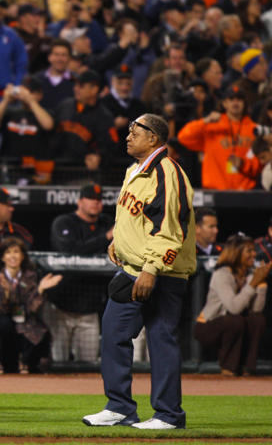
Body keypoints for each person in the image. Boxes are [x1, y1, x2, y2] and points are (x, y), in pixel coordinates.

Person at [84, 113, 196, 430]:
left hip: (160, 273)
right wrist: (119, 242)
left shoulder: (167, 173)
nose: (129, 134)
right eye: (130, 129)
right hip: (132, 269)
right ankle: (119, 407)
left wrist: (151, 269)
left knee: (161, 340)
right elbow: (138, 218)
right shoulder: (136, 169)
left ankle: (168, 415)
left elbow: (170, 229)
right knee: (114, 337)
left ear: (155, 138)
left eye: (137, 130)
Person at [46, 183, 113, 363]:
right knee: (58, 362)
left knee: (89, 364)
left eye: (99, 200)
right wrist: (105, 238)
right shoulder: (64, 222)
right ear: (80, 202)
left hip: (89, 309)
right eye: (91, 199)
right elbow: (70, 251)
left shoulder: (107, 223)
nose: (95, 203)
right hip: (61, 305)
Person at [194, 233, 269, 376]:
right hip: (208, 326)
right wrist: (253, 284)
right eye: (249, 251)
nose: (254, 254)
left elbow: (256, 309)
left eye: (254, 250)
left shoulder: (251, 273)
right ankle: (229, 369)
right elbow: (234, 308)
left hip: (234, 323)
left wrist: (261, 285)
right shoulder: (222, 274)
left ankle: (247, 367)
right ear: (237, 253)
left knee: (257, 319)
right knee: (235, 320)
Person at [0, 238, 61, 374]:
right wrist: (7, 293)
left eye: (16, 252)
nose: (13, 256)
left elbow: (32, 308)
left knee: (38, 330)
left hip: (26, 318)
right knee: (4, 323)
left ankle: (26, 362)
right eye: (8, 252)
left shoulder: (31, 276)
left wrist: (40, 290)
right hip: (3, 321)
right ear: (2, 257)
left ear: (22, 256)